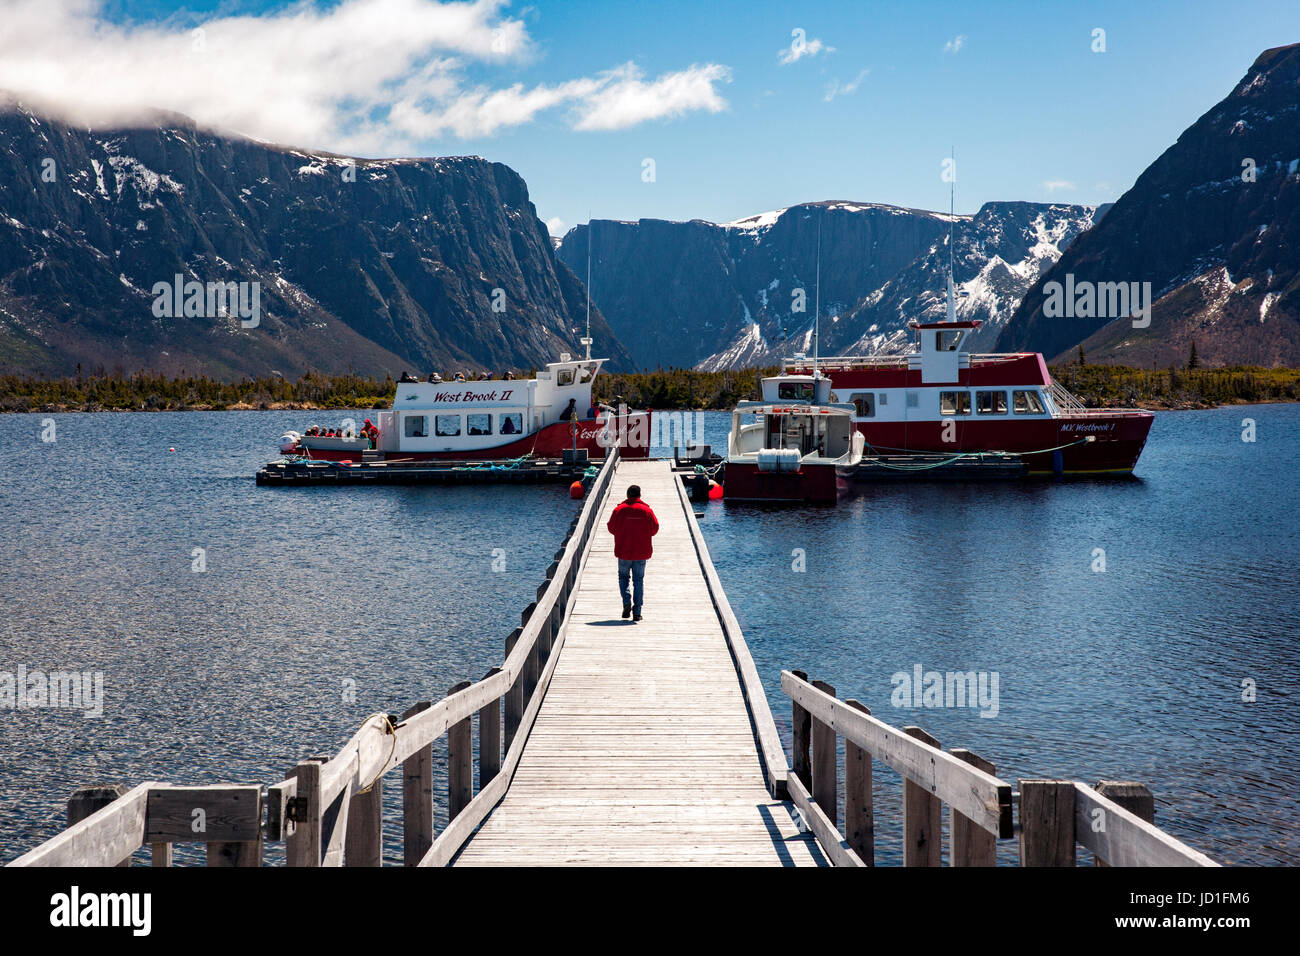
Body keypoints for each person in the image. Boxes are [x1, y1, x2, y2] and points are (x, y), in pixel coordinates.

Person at [606, 484, 658, 621]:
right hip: (641, 552)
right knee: (638, 580)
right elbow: (654, 529)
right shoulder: (647, 511)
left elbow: (611, 528)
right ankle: (637, 612)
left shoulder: (619, 510)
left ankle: (626, 603)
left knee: (623, 578)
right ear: (639, 496)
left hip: (624, 551)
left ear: (627, 495)